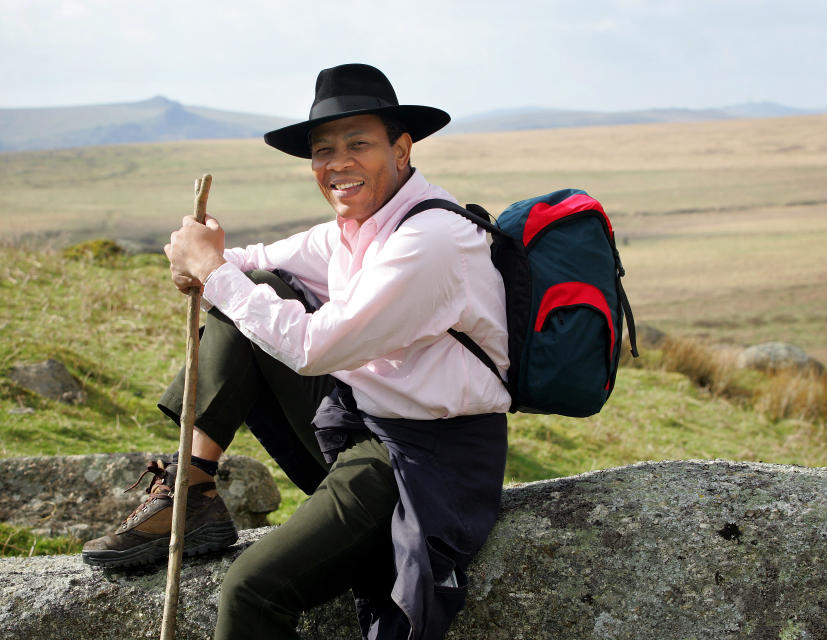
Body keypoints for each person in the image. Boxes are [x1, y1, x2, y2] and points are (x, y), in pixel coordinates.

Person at [82, 63, 511, 640]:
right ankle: (193, 485)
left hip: (420, 462)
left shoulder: (429, 240)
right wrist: (196, 258)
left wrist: (212, 272)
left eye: (358, 143)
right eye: (323, 149)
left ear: (402, 149)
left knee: (251, 590)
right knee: (257, 292)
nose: (337, 163)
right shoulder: (356, 227)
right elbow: (253, 265)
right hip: (359, 424)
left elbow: (314, 347)